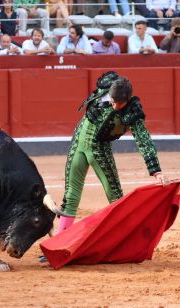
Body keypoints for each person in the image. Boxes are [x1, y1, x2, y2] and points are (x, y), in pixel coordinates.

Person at [55, 71, 169, 235]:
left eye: (119, 104)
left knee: (115, 197)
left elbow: (144, 140)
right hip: (79, 140)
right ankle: (59, 242)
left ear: (127, 100)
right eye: (113, 101)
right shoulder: (107, 85)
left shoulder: (133, 111)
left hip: (100, 148)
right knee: (71, 194)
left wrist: (156, 171)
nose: (115, 106)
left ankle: (122, 240)